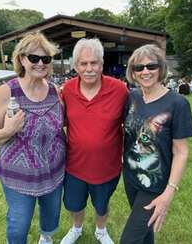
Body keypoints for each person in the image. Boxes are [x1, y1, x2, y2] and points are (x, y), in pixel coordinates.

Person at [0, 32, 66, 244]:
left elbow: (61, 124)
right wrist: (8, 130)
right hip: (18, 174)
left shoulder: (54, 91)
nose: (40, 63)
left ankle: (45, 238)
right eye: (34, 58)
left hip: (53, 170)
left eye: (46, 59)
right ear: (21, 59)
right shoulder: (7, 91)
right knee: (19, 224)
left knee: (51, 215)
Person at [120, 44, 192, 244]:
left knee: (129, 240)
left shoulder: (177, 103)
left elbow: (181, 152)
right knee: (145, 235)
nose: (145, 71)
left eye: (151, 66)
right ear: (133, 73)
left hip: (155, 183)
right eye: (139, 68)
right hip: (130, 177)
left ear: (161, 69)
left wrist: (169, 191)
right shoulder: (132, 97)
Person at [60, 38, 129, 244]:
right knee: (74, 204)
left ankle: (101, 230)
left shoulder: (119, 90)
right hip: (74, 166)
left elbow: (132, 125)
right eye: (83, 63)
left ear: (101, 64)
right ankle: (77, 228)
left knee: (102, 204)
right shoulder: (68, 90)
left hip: (107, 166)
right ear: (76, 66)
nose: (89, 68)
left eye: (94, 63)